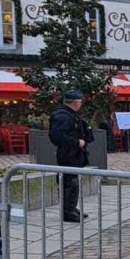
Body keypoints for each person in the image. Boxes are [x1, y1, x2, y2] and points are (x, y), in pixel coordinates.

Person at [49, 90, 94, 222]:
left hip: (74, 153)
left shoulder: (69, 114)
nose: (81, 104)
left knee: (73, 180)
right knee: (69, 182)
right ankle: (68, 212)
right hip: (68, 153)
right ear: (76, 102)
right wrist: (76, 142)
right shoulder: (63, 116)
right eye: (80, 102)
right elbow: (56, 136)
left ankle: (71, 208)